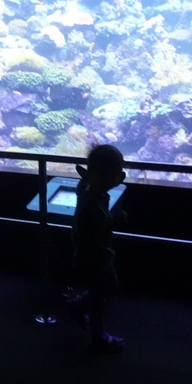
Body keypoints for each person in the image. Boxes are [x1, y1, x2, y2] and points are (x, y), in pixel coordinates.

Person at [68, 143, 127, 353]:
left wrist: (89, 176)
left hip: (83, 255)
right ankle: (98, 336)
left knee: (100, 288)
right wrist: (115, 221)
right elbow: (97, 231)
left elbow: (85, 181)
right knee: (103, 292)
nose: (121, 177)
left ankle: (78, 305)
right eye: (117, 174)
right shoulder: (94, 203)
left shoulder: (85, 188)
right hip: (96, 257)